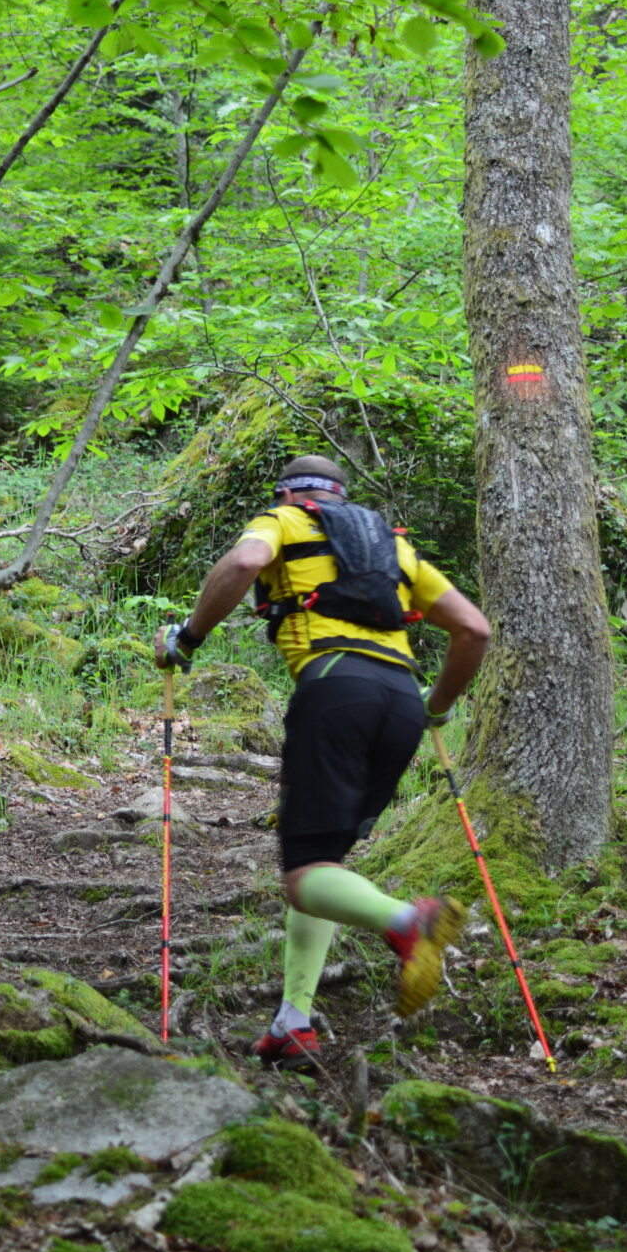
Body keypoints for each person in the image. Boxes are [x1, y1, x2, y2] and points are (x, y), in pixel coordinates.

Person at [155, 454, 490, 1071]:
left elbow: (245, 562)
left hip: (335, 688)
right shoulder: (395, 550)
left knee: (303, 874)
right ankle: (293, 1022)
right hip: (401, 702)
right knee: (321, 865)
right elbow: (473, 630)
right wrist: (436, 708)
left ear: (290, 493)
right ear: (342, 496)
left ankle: (408, 922)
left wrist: (187, 638)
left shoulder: (282, 520)